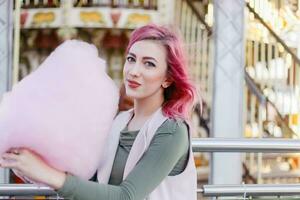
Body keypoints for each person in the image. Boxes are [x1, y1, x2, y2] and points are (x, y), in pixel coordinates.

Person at [0, 24, 198, 200]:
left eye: (149, 64)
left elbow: (127, 196)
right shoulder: (118, 122)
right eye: (131, 59)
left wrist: (49, 175)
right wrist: (27, 160)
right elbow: (92, 185)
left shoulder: (172, 130)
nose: (133, 71)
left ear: (168, 79)